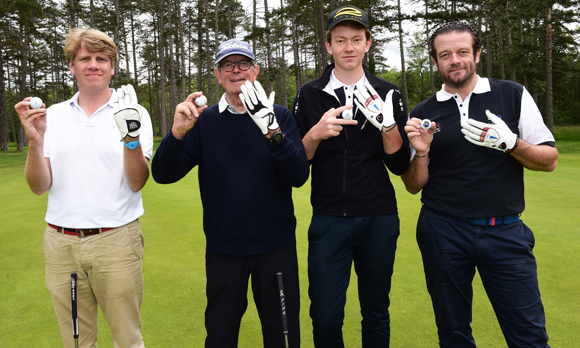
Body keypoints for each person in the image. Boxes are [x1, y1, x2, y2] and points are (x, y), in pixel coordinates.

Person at [401, 21, 558, 348]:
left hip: (504, 232)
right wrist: (420, 152)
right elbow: (414, 186)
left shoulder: (512, 94)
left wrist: (511, 143)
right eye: (445, 55)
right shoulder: (424, 112)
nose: (454, 60)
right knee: (453, 333)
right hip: (442, 231)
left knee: (528, 336)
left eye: (462, 52)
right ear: (435, 61)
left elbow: (549, 160)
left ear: (477, 53)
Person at [151, 39, 309, 348]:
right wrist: (178, 133)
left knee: (284, 337)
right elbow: (164, 174)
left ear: (256, 70)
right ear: (218, 74)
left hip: (275, 248)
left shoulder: (280, 116)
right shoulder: (204, 121)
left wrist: (272, 132)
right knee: (221, 337)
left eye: (243, 64)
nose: (236, 70)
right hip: (224, 250)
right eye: (228, 65)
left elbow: (299, 175)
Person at [14, 28, 153, 348]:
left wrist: (129, 135)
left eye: (102, 59)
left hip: (116, 240)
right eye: (85, 58)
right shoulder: (54, 116)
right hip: (61, 244)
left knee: (127, 339)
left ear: (112, 67)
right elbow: (39, 186)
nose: (94, 65)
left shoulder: (134, 112)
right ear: (72, 66)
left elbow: (136, 181)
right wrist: (35, 142)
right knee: (76, 342)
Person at [292, 5, 410, 347]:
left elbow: (400, 165)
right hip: (329, 218)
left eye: (356, 39)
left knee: (376, 310)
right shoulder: (309, 94)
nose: (348, 47)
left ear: (368, 43)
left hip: (379, 216)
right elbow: (298, 165)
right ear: (328, 45)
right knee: (326, 315)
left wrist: (387, 125)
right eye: (340, 40)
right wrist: (315, 133)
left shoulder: (387, 92)